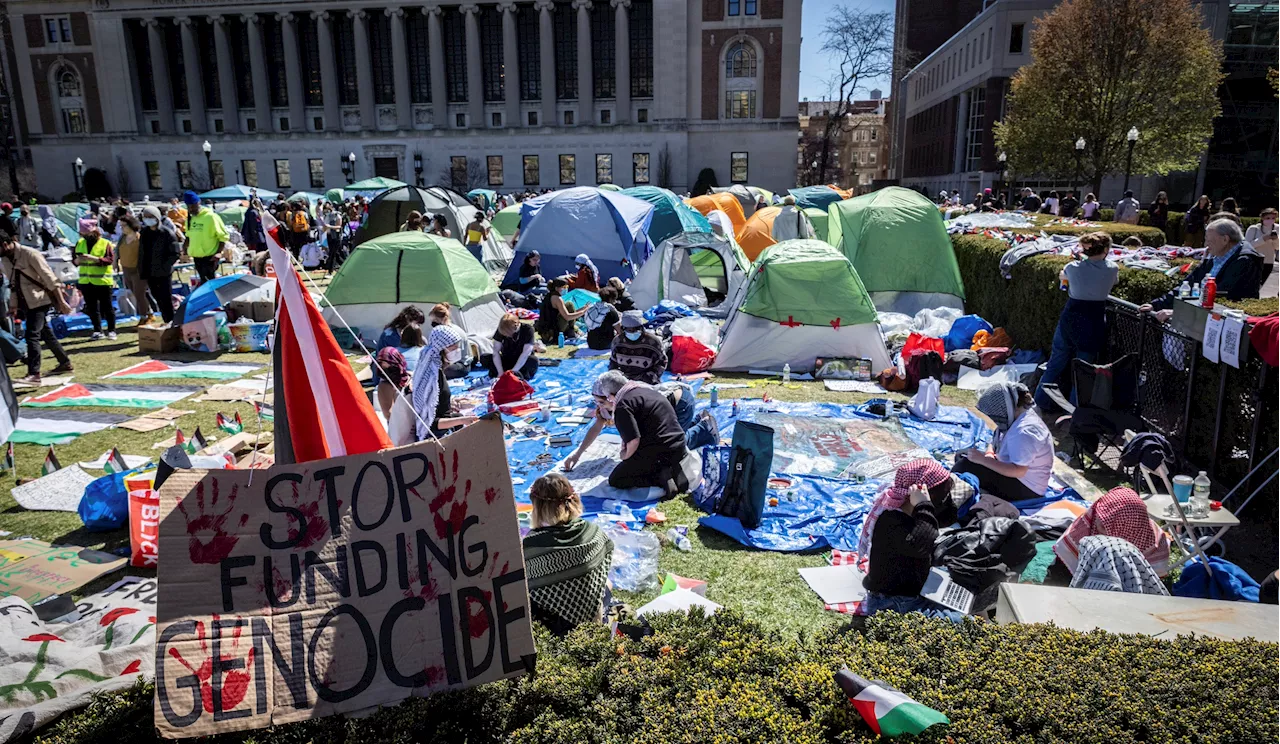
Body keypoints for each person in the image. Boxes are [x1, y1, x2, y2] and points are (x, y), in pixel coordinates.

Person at [858, 459, 966, 621]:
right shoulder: (891, 521)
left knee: (959, 584)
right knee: (963, 621)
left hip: (910, 591)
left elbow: (946, 518)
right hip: (892, 603)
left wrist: (924, 506)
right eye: (941, 497)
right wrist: (924, 505)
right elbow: (922, 545)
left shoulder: (909, 512)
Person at [565, 370, 688, 496]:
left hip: (660, 451)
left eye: (602, 402)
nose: (601, 407)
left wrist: (625, 456)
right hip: (679, 446)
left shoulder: (622, 405)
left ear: (610, 396)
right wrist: (577, 454)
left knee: (617, 479)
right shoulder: (644, 390)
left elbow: (634, 441)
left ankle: (661, 476)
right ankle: (671, 468)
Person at [1034, 232, 1119, 411]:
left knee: (1055, 363)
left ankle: (1038, 403)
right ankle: (1074, 412)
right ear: (1105, 250)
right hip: (1094, 320)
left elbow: (1065, 278)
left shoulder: (1072, 267)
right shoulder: (1112, 268)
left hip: (1071, 317)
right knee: (1083, 371)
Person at [522, 473, 614, 635]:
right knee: (607, 583)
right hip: (595, 615)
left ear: (539, 508)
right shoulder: (592, 531)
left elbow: (528, 585)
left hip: (562, 629)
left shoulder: (532, 545)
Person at [1046, 487, 1170, 587]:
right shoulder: (1089, 522)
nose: (1096, 522)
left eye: (1106, 524)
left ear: (1126, 529)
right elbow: (1061, 566)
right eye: (1099, 516)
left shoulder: (1155, 544)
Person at [1143, 218, 1263, 319]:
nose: (1206, 244)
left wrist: (1180, 313)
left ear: (1225, 240)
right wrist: (1156, 305)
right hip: (1201, 316)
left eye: (1209, 240)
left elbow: (1220, 297)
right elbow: (1189, 283)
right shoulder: (1217, 255)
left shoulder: (1244, 261)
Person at [954, 382, 1054, 503]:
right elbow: (996, 437)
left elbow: (1019, 470)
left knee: (964, 465)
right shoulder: (1018, 416)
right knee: (963, 455)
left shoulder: (1025, 432)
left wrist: (984, 460)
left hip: (1027, 488)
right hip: (1013, 472)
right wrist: (989, 453)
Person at [1, 237, 73, 384]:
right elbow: (13, 285)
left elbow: (49, 278)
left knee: (32, 335)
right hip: (26, 301)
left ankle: (34, 373)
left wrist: (61, 302)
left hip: (41, 299)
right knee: (46, 333)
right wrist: (13, 306)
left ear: (5, 244)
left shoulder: (30, 254)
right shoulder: (6, 259)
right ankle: (64, 362)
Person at [393, 324, 478, 444]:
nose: (457, 351)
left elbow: (436, 403)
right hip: (438, 439)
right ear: (442, 348)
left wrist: (451, 403)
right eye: (453, 348)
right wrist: (464, 420)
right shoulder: (431, 378)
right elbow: (430, 424)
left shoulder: (434, 369)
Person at [73, 217, 116, 340]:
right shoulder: (79, 243)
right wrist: (78, 260)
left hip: (102, 280)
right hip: (86, 281)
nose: (83, 235)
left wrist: (93, 259)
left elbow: (109, 260)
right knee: (92, 308)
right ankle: (98, 330)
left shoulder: (105, 243)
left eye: (85, 232)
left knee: (107, 307)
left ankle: (112, 330)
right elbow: (74, 261)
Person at [138, 206, 179, 325]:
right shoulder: (144, 233)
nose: (148, 220)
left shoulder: (167, 233)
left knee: (165, 298)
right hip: (149, 271)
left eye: (151, 217)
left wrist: (165, 267)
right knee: (156, 297)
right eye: (146, 217)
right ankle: (167, 319)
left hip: (164, 272)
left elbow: (175, 253)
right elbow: (142, 253)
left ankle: (171, 321)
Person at [182, 191, 228, 284]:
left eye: (193, 206)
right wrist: (184, 247)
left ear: (198, 203)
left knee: (209, 282)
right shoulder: (190, 219)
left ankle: (213, 298)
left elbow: (223, 236)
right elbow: (188, 235)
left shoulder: (211, 217)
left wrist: (219, 252)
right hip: (197, 256)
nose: (191, 209)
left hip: (210, 256)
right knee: (204, 281)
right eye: (189, 206)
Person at [609, 311, 666, 384]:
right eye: (629, 330)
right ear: (623, 329)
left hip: (647, 382)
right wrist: (616, 377)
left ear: (641, 327)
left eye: (636, 329)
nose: (632, 332)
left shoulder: (654, 342)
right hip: (624, 381)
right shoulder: (617, 342)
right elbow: (613, 362)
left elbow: (662, 362)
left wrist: (651, 376)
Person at [116, 214, 149, 324]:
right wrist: (115, 263)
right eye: (120, 226)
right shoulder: (122, 238)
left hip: (138, 270)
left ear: (131, 225)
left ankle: (144, 317)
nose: (122, 228)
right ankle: (149, 312)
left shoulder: (140, 238)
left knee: (139, 294)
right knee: (135, 293)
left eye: (124, 226)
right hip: (126, 269)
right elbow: (117, 251)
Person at [427, 302, 474, 377]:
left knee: (438, 370)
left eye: (434, 321)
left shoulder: (454, 333)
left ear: (442, 319)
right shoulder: (442, 331)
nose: (433, 324)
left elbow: (454, 358)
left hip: (461, 365)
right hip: (450, 361)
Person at [534, 278, 587, 343]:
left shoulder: (550, 295)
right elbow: (567, 316)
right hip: (552, 332)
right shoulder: (557, 299)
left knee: (569, 305)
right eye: (564, 287)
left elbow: (570, 312)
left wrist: (583, 308)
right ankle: (571, 331)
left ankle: (571, 331)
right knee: (570, 306)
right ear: (556, 288)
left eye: (567, 287)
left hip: (546, 329)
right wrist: (583, 312)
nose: (566, 289)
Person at [488, 312, 538, 380]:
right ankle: (504, 372)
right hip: (507, 358)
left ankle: (518, 373)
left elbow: (526, 353)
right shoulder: (502, 329)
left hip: (522, 360)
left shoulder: (528, 329)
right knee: (485, 358)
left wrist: (514, 371)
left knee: (533, 360)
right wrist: (500, 372)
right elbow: (496, 351)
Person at [1244, 207, 1278, 285]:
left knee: (1262, 284)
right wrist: (1263, 239)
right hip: (1254, 261)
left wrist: (1276, 239)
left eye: (1273, 218)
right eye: (1268, 218)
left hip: (1268, 261)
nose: (1270, 220)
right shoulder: (1254, 229)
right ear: (1262, 217)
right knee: (1252, 283)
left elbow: (1277, 247)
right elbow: (1248, 246)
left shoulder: (1277, 228)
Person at [585, 286, 621, 350]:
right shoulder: (611, 311)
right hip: (606, 344)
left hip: (591, 343)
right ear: (611, 299)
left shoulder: (592, 308)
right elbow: (620, 332)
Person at [322, 201, 345, 272]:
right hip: (329, 236)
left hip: (336, 236)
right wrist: (324, 228)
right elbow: (324, 228)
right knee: (336, 254)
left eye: (328, 208)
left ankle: (330, 271)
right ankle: (345, 265)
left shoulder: (337, 215)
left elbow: (339, 227)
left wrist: (330, 226)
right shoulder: (326, 216)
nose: (327, 210)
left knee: (332, 254)